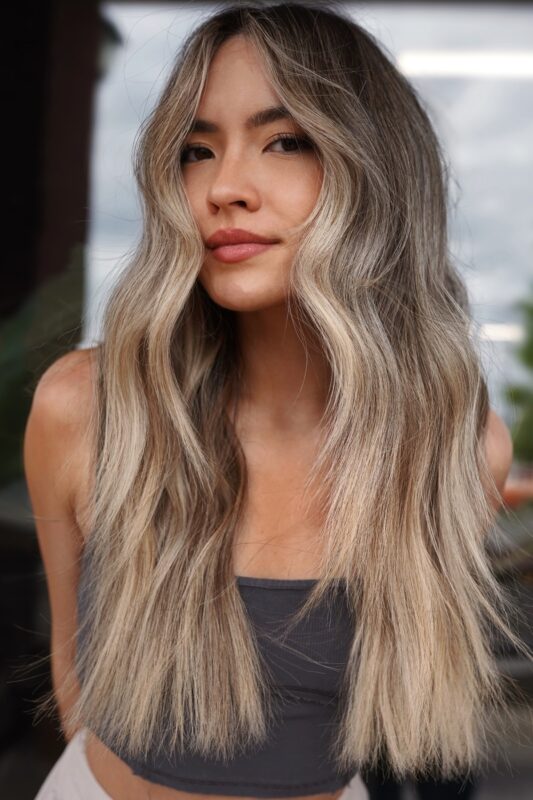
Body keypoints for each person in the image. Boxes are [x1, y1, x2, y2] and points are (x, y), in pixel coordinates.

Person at [23, 2, 531, 799]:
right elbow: (73, 671)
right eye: (196, 151)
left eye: (284, 141)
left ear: (375, 170)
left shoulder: (455, 450)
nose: (223, 187)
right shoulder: (84, 410)